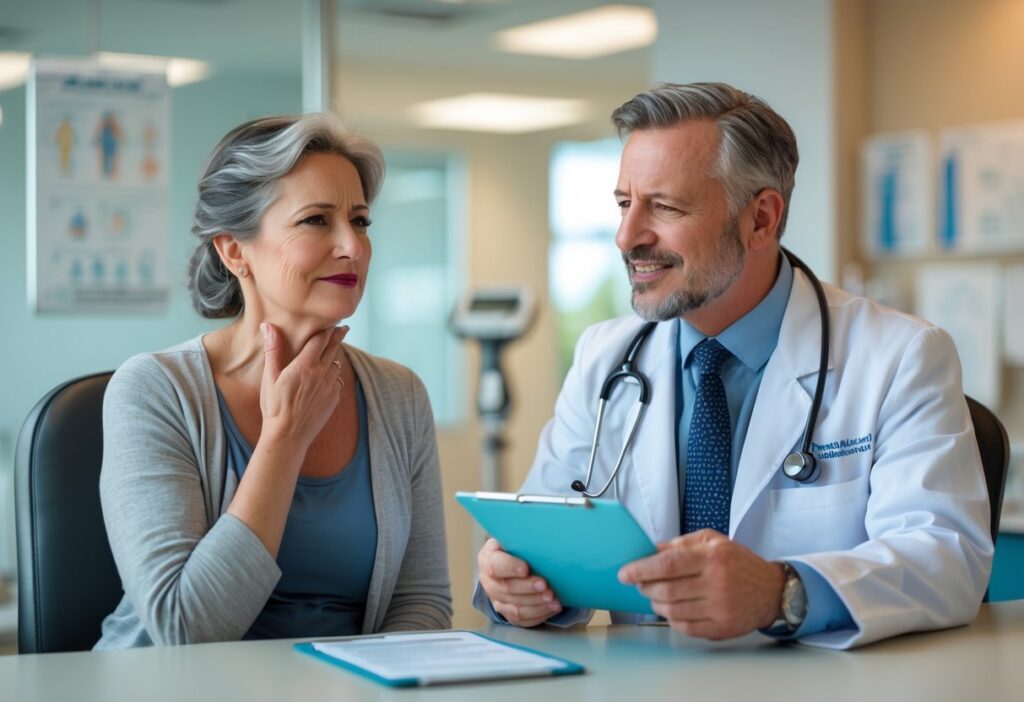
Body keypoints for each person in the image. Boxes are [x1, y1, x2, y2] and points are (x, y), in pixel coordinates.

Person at [475, 82, 993, 650]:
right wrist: (517, 586)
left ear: (761, 220)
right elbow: (543, 540)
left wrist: (781, 591)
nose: (627, 237)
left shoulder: (899, 356)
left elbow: (945, 557)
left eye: (665, 207)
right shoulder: (604, 358)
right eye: (625, 204)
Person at [96, 115, 451, 648]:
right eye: (315, 220)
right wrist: (284, 438)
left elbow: (421, 601)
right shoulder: (152, 390)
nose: (352, 245)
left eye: (360, 221)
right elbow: (183, 625)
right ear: (234, 250)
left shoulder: (399, 395)